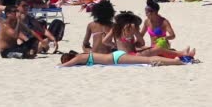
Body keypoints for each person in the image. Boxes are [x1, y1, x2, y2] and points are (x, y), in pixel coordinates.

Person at [104, 11, 196, 58]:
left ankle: (181, 53)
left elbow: (105, 41)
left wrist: (116, 45)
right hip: (131, 55)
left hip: (121, 54)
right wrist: (136, 43)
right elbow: (142, 42)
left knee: (151, 49)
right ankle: (181, 53)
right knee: (158, 49)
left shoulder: (115, 28)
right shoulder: (131, 26)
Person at [59, 50, 188, 67]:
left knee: (147, 60)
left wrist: (60, 65)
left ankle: (176, 61)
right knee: (146, 60)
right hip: (115, 57)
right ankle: (174, 60)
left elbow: (64, 66)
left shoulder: (80, 57)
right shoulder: (83, 56)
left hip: (116, 59)